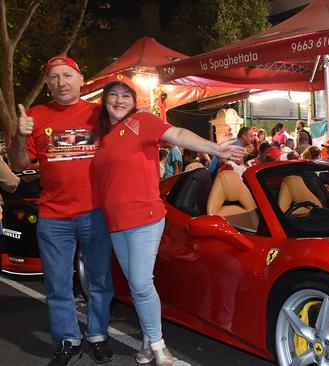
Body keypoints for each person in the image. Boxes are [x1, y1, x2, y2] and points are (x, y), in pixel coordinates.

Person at [91, 75, 246, 366]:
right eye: (114, 94)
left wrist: (214, 149)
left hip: (145, 218)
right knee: (137, 284)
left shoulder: (142, 122)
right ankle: (149, 342)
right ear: (105, 100)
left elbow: (178, 134)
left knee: (139, 282)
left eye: (126, 95)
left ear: (134, 101)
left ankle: (160, 346)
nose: (119, 100)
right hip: (115, 223)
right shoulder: (101, 136)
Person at [9, 55, 115, 365]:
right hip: (53, 216)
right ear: (47, 85)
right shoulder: (37, 115)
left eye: (67, 75)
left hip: (96, 213)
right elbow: (18, 164)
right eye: (54, 77)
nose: (61, 82)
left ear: (81, 80)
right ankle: (68, 338)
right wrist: (20, 134)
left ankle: (97, 335)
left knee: (100, 280)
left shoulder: (101, 113)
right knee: (57, 283)